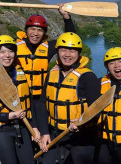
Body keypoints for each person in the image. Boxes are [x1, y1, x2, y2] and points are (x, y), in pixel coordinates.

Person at [0, 0, 76, 119]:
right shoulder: (14, 45)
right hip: (20, 97)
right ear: (26, 31)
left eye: (40, 30)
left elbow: (70, 38)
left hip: (40, 99)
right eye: (32, 29)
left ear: (44, 33)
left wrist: (66, 17)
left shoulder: (48, 47)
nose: (35, 33)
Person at [37, 32, 100, 164]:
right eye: (63, 50)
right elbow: (42, 104)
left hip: (81, 137)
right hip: (55, 133)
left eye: (72, 50)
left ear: (79, 53)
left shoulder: (88, 77)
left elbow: (97, 109)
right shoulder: (51, 74)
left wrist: (83, 121)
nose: (67, 54)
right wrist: (44, 132)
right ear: (58, 52)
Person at [0, 35, 40, 164]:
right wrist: (9, 116)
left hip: (23, 127)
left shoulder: (20, 74)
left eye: (11, 51)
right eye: (2, 52)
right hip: (1, 131)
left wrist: (34, 126)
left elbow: (28, 103)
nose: (7, 55)